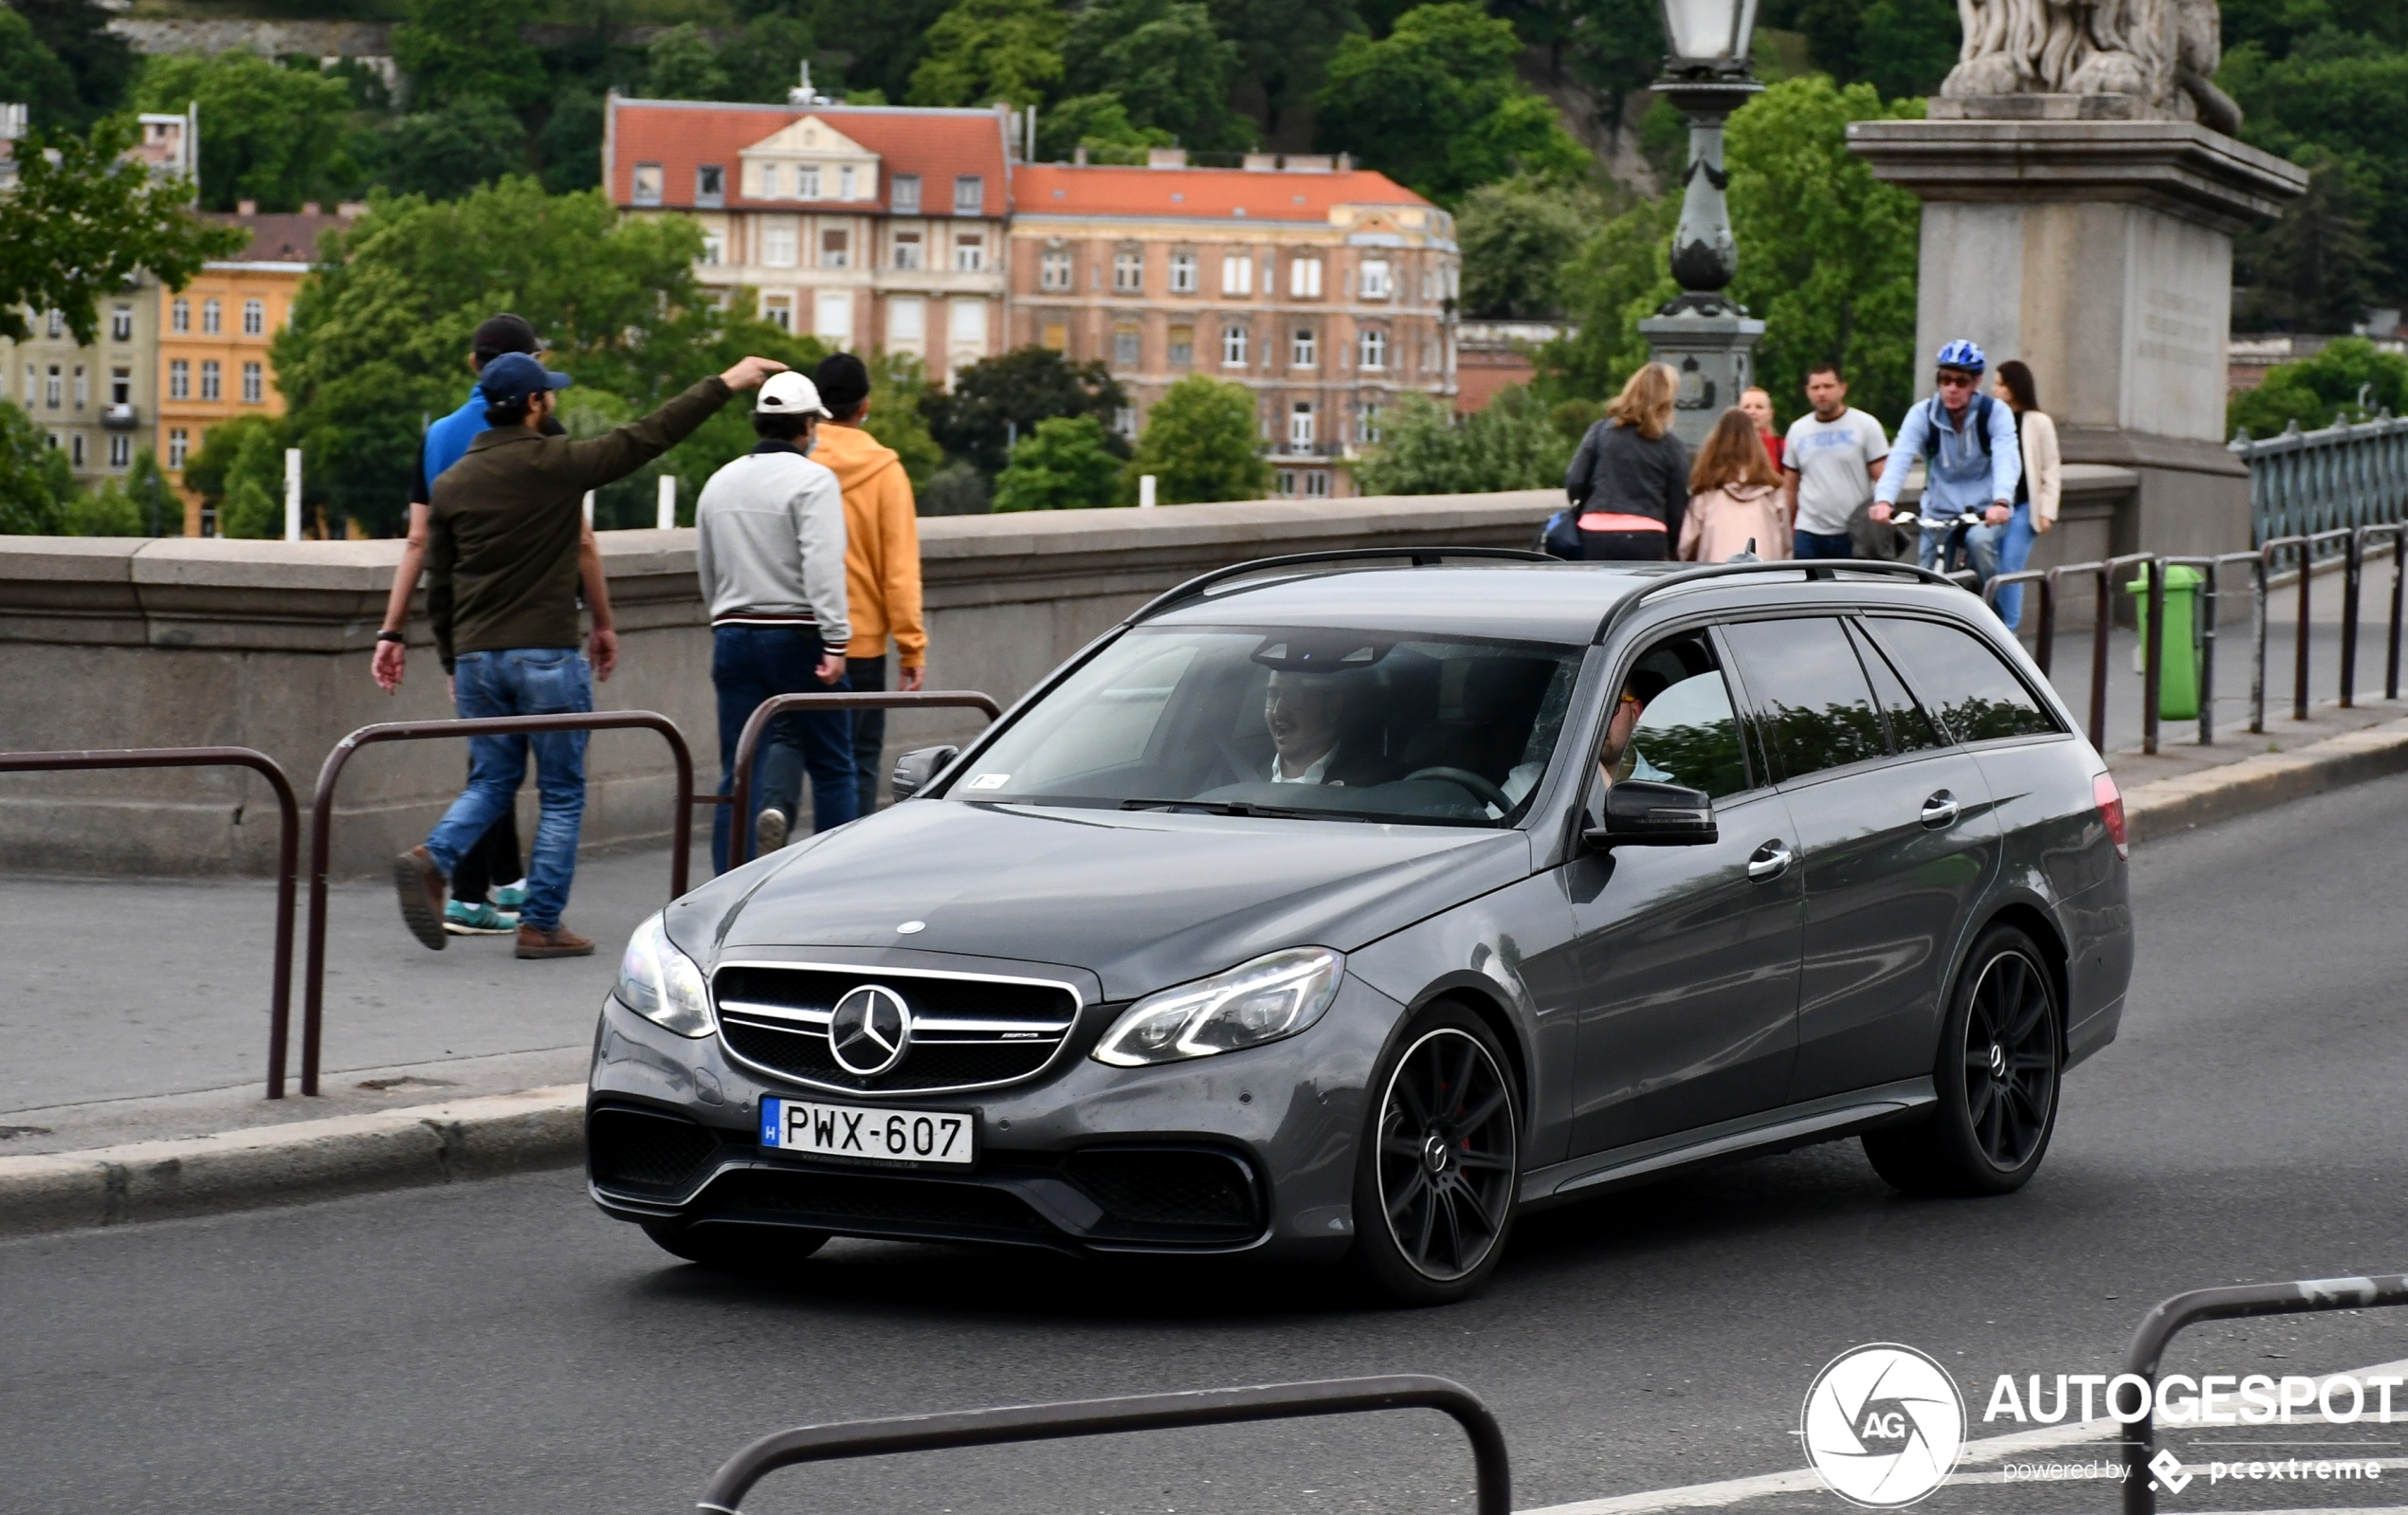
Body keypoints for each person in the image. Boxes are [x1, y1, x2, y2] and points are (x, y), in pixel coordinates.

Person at [392, 351, 790, 958]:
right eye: (546, 394)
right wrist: (726, 383)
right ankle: (541, 923)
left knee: (494, 778)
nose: (552, 400)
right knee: (563, 791)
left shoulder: (452, 484)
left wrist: (454, 658)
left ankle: (434, 856)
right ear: (531, 404)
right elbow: (649, 436)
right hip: (547, 654)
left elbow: (439, 586)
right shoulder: (557, 465)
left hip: (476, 658)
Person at [374, 314, 607, 936]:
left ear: (475, 365)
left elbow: (419, 544)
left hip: (474, 638)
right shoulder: (544, 435)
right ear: (531, 390)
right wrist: (604, 621)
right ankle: (531, 915)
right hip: (544, 638)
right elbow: (581, 538)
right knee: (558, 788)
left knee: (491, 771)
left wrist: (395, 632)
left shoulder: (440, 437)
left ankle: (468, 889)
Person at [696, 371, 856, 872]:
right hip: (798, 636)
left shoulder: (719, 481)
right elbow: (823, 566)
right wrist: (835, 640)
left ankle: (726, 885)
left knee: (738, 771)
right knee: (833, 767)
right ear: (806, 425)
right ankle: (832, 881)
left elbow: (707, 567)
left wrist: (724, 620)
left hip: (734, 634)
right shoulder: (813, 481)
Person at [808, 354, 926, 810]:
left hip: (798, 630)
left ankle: (772, 821)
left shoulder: (799, 459)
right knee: (857, 757)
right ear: (865, 406)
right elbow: (897, 571)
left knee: (785, 739)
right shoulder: (885, 471)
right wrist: (911, 647)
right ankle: (846, 848)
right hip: (860, 643)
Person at [1871, 339, 2020, 575]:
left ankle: (1990, 604)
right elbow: (1900, 457)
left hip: (1984, 511)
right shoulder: (1922, 414)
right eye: (1945, 380)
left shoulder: (1994, 413)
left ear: (1976, 382)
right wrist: (1884, 501)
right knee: (1927, 574)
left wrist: (2001, 501)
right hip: (1939, 510)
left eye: (1961, 382)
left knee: (1979, 543)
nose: (1952, 388)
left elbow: (2006, 458)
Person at [1561, 363, 1688, 561]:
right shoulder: (1672, 446)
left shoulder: (1601, 432)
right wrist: (1671, 546)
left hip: (1596, 531)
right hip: (1647, 534)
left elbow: (1574, 481)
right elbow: (1677, 505)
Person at [1973, 359, 2060, 630]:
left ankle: (2008, 628)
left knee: (2010, 565)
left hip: (2024, 506)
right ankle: (1990, 620)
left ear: (2014, 387)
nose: (1994, 389)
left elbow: (2051, 468)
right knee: (1983, 554)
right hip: (1994, 505)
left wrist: (2047, 511)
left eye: (2000, 384)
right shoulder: (1991, 419)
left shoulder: (2038, 422)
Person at [1781, 363, 1890, 562]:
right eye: (1816, 388)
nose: (1822, 393)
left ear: (1842, 388)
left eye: (1828, 386)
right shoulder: (1797, 430)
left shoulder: (1866, 426)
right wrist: (1785, 528)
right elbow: (1790, 486)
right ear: (1807, 392)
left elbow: (1884, 477)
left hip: (1853, 530)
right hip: (1809, 531)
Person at [1680, 408, 1791, 563]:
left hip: (1716, 574)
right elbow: (1786, 542)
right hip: (1764, 572)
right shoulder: (1772, 487)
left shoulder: (1706, 487)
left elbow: (1687, 543)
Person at [1739, 386, 1784, 472]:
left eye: (1759, 407)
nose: (1752, 412)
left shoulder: (1782, 448)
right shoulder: (1725, 447)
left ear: (1770, 414)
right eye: (1746, 407)